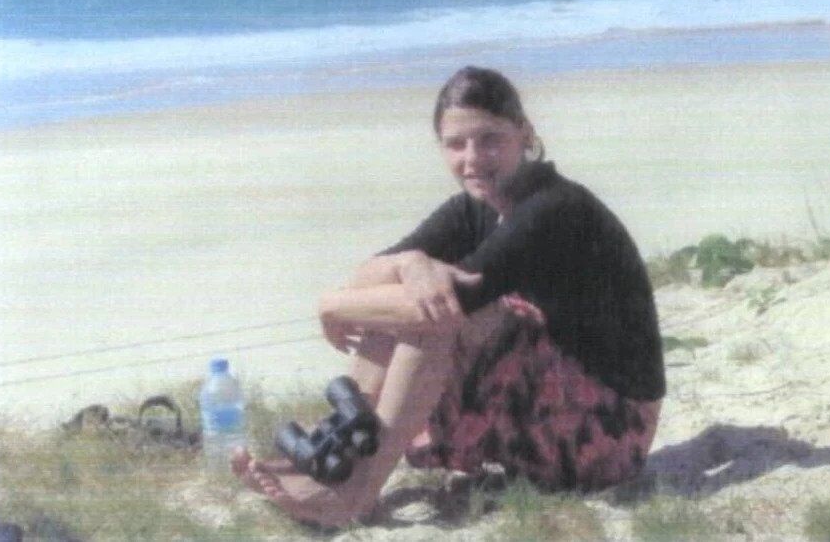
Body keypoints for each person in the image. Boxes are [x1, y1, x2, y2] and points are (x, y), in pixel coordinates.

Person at [232, 66, 666, 527]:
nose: (472, 158)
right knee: (409, 301)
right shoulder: (475, 208)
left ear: (524, 133)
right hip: (551, 400)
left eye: (489, 139)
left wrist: (329, 305)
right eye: (456, 144)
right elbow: (368, 280)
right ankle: (333, 458)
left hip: (608, 431)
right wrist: (409, 263)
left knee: (433, 313)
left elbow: (436, 305)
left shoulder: (552, 208)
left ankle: (353, 493)